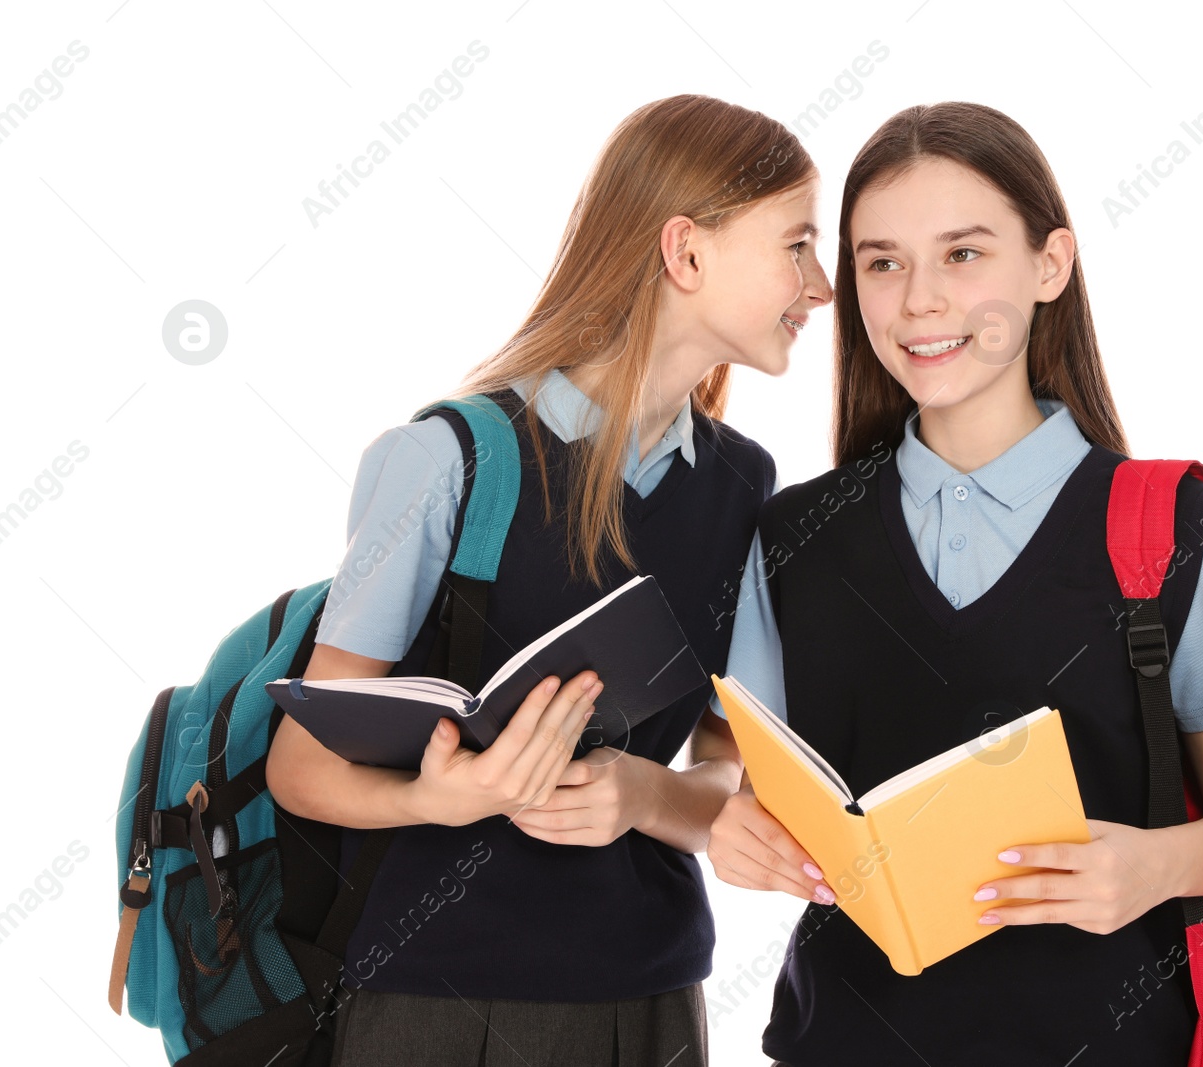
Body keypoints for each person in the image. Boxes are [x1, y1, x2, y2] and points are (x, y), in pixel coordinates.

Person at [705, 101, 1203, 1065]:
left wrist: (1155, 867)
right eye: (882, 261)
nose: (920, 300)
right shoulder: (792, 536)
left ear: (1051, 266)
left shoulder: (1163, 525)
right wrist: (734, 833)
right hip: (847, 1041)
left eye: (964, 254)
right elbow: (752, 789)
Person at [265, 93, 834, 1067]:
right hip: (433, 1003)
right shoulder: (450, 460)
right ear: (685, 253)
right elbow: (301, 765)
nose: (819, 285)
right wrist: (438, 797)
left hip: (649, 1002)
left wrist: (647, 793)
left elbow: (721, 753)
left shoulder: (743, 485)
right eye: (796, 245)